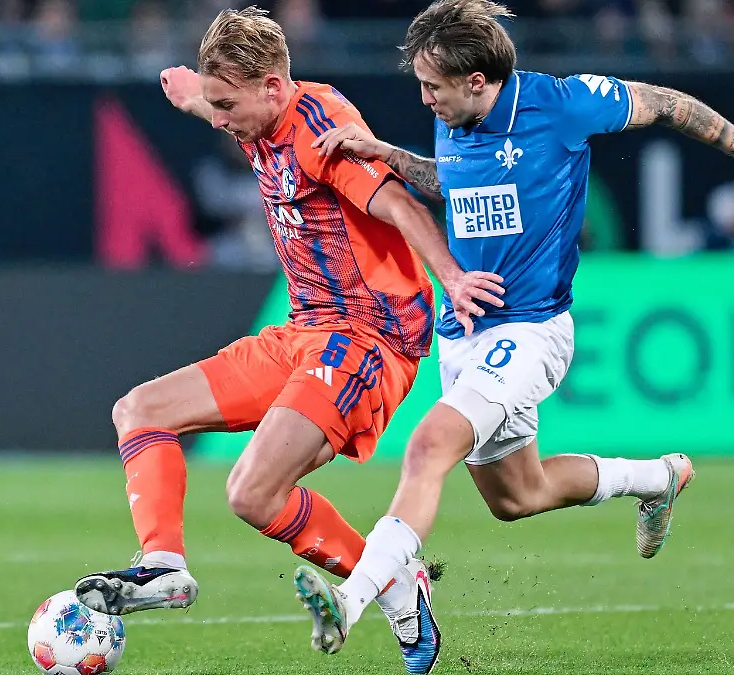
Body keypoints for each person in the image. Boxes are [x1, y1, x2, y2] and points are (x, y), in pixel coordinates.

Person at [291, 1, 734, 672]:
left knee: (428, 446)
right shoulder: (454, 116)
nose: (424, 99)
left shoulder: (561, 104)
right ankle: (658, 478)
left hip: (530, 330)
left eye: (432, 87)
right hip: (464, 332)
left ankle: (353, 599)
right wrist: (387, 154)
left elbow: (667, 105)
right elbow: (454, 181)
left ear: (477, 80)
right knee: (517, 496)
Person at [72, 6, 505, 670]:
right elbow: (219, 103)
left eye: (227, 105)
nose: (220, 120)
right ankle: (163, 566)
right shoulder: (254, 114)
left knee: (250, 491)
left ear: (273, 87)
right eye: (215, 104)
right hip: (303, 330)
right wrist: (192, 95)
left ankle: (392, 583)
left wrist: (451, 277)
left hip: (367, 338)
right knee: (139, 410)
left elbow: (398, 202)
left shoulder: (320, 128)